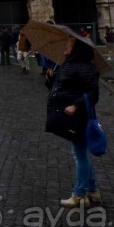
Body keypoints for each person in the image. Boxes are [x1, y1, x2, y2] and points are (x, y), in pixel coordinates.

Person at [45, 35, 102, 208]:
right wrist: (51, 79)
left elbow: (93, 94)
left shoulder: (85, 67)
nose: (65, 47)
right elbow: (60, 88)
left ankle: (79, 195)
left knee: (80, 155)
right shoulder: (66, 64)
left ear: (77, 49)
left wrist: (76, 106)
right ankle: (93, 191)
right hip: (68, 114)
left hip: (78, 116)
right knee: (80, 153)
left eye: (69, 45)